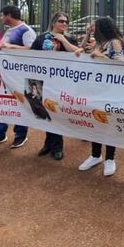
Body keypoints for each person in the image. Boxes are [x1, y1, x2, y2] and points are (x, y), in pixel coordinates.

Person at [20, 11, 81, 159]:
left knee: (56, 112)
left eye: (66, 21)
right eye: (61, 21)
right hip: (41, 81)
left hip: (60, 82)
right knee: (44, 113)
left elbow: (79, 54)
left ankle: (57, 146)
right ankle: (48, 143)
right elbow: (31, 57)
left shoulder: (70, 39)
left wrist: (63, 40)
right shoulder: (41, 38)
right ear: (54, 22)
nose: (64, 24)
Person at [78, 16, 124, 175]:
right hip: (95, 88)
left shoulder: (114, 42)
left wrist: (102, 57)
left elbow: (120, 65)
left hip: (110, 90)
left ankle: (110, 158)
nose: (94, 30)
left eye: (95, 28)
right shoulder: (98, 43)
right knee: (95, 121)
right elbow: (80, 50)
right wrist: (86, 34)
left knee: (109, 123)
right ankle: (95, 155)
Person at [0, 5, 36, 149]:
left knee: (21, 104)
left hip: (21, 75)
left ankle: (20, 135)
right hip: (7, 75)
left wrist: (12, 47)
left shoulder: (26, 30)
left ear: (9, 15)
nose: (1, 18)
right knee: (2, 102)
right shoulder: (9, 30)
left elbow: (32, 50)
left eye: (2, 15)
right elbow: (0, 47)